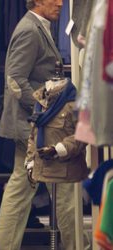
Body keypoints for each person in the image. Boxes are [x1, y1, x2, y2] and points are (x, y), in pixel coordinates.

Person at [0, 0, 69, 249]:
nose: (60, 3)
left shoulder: (40, 26)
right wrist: (44, 110)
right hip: (33, 127)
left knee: (22, 188)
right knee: (61, 189)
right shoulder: (29, 29)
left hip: (33, 126)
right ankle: (79, 243)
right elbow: (15, 80)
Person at [25, 77, 89, 249]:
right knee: (63, 216)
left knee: (67, 215)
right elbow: (33, 134)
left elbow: (82, 134)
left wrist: (58, 149)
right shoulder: (40, 102)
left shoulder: (73, 103)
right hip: (44, 167)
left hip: (66, 168)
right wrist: (30, 160)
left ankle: (80, 247)